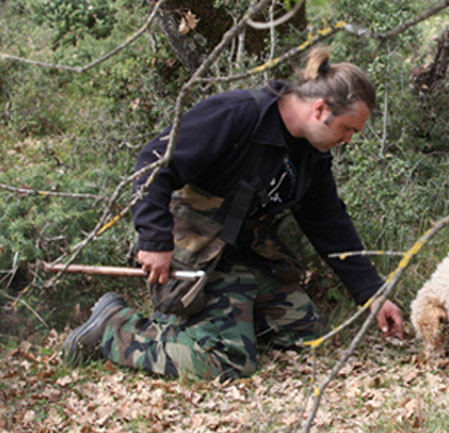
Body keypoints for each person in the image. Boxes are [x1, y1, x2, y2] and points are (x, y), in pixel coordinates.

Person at [62, 47, 404, 380]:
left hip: (245, 259)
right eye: (347, 129)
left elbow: (328, 221)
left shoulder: (311, 154)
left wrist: (372, 294)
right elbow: (154, 162)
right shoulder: (238, 114)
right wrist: (153, 238)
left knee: (308, 335)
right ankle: (113, 327)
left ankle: (215, 323)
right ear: (320, 109)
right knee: (230, 362)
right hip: (194, 259)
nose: (347, 139)